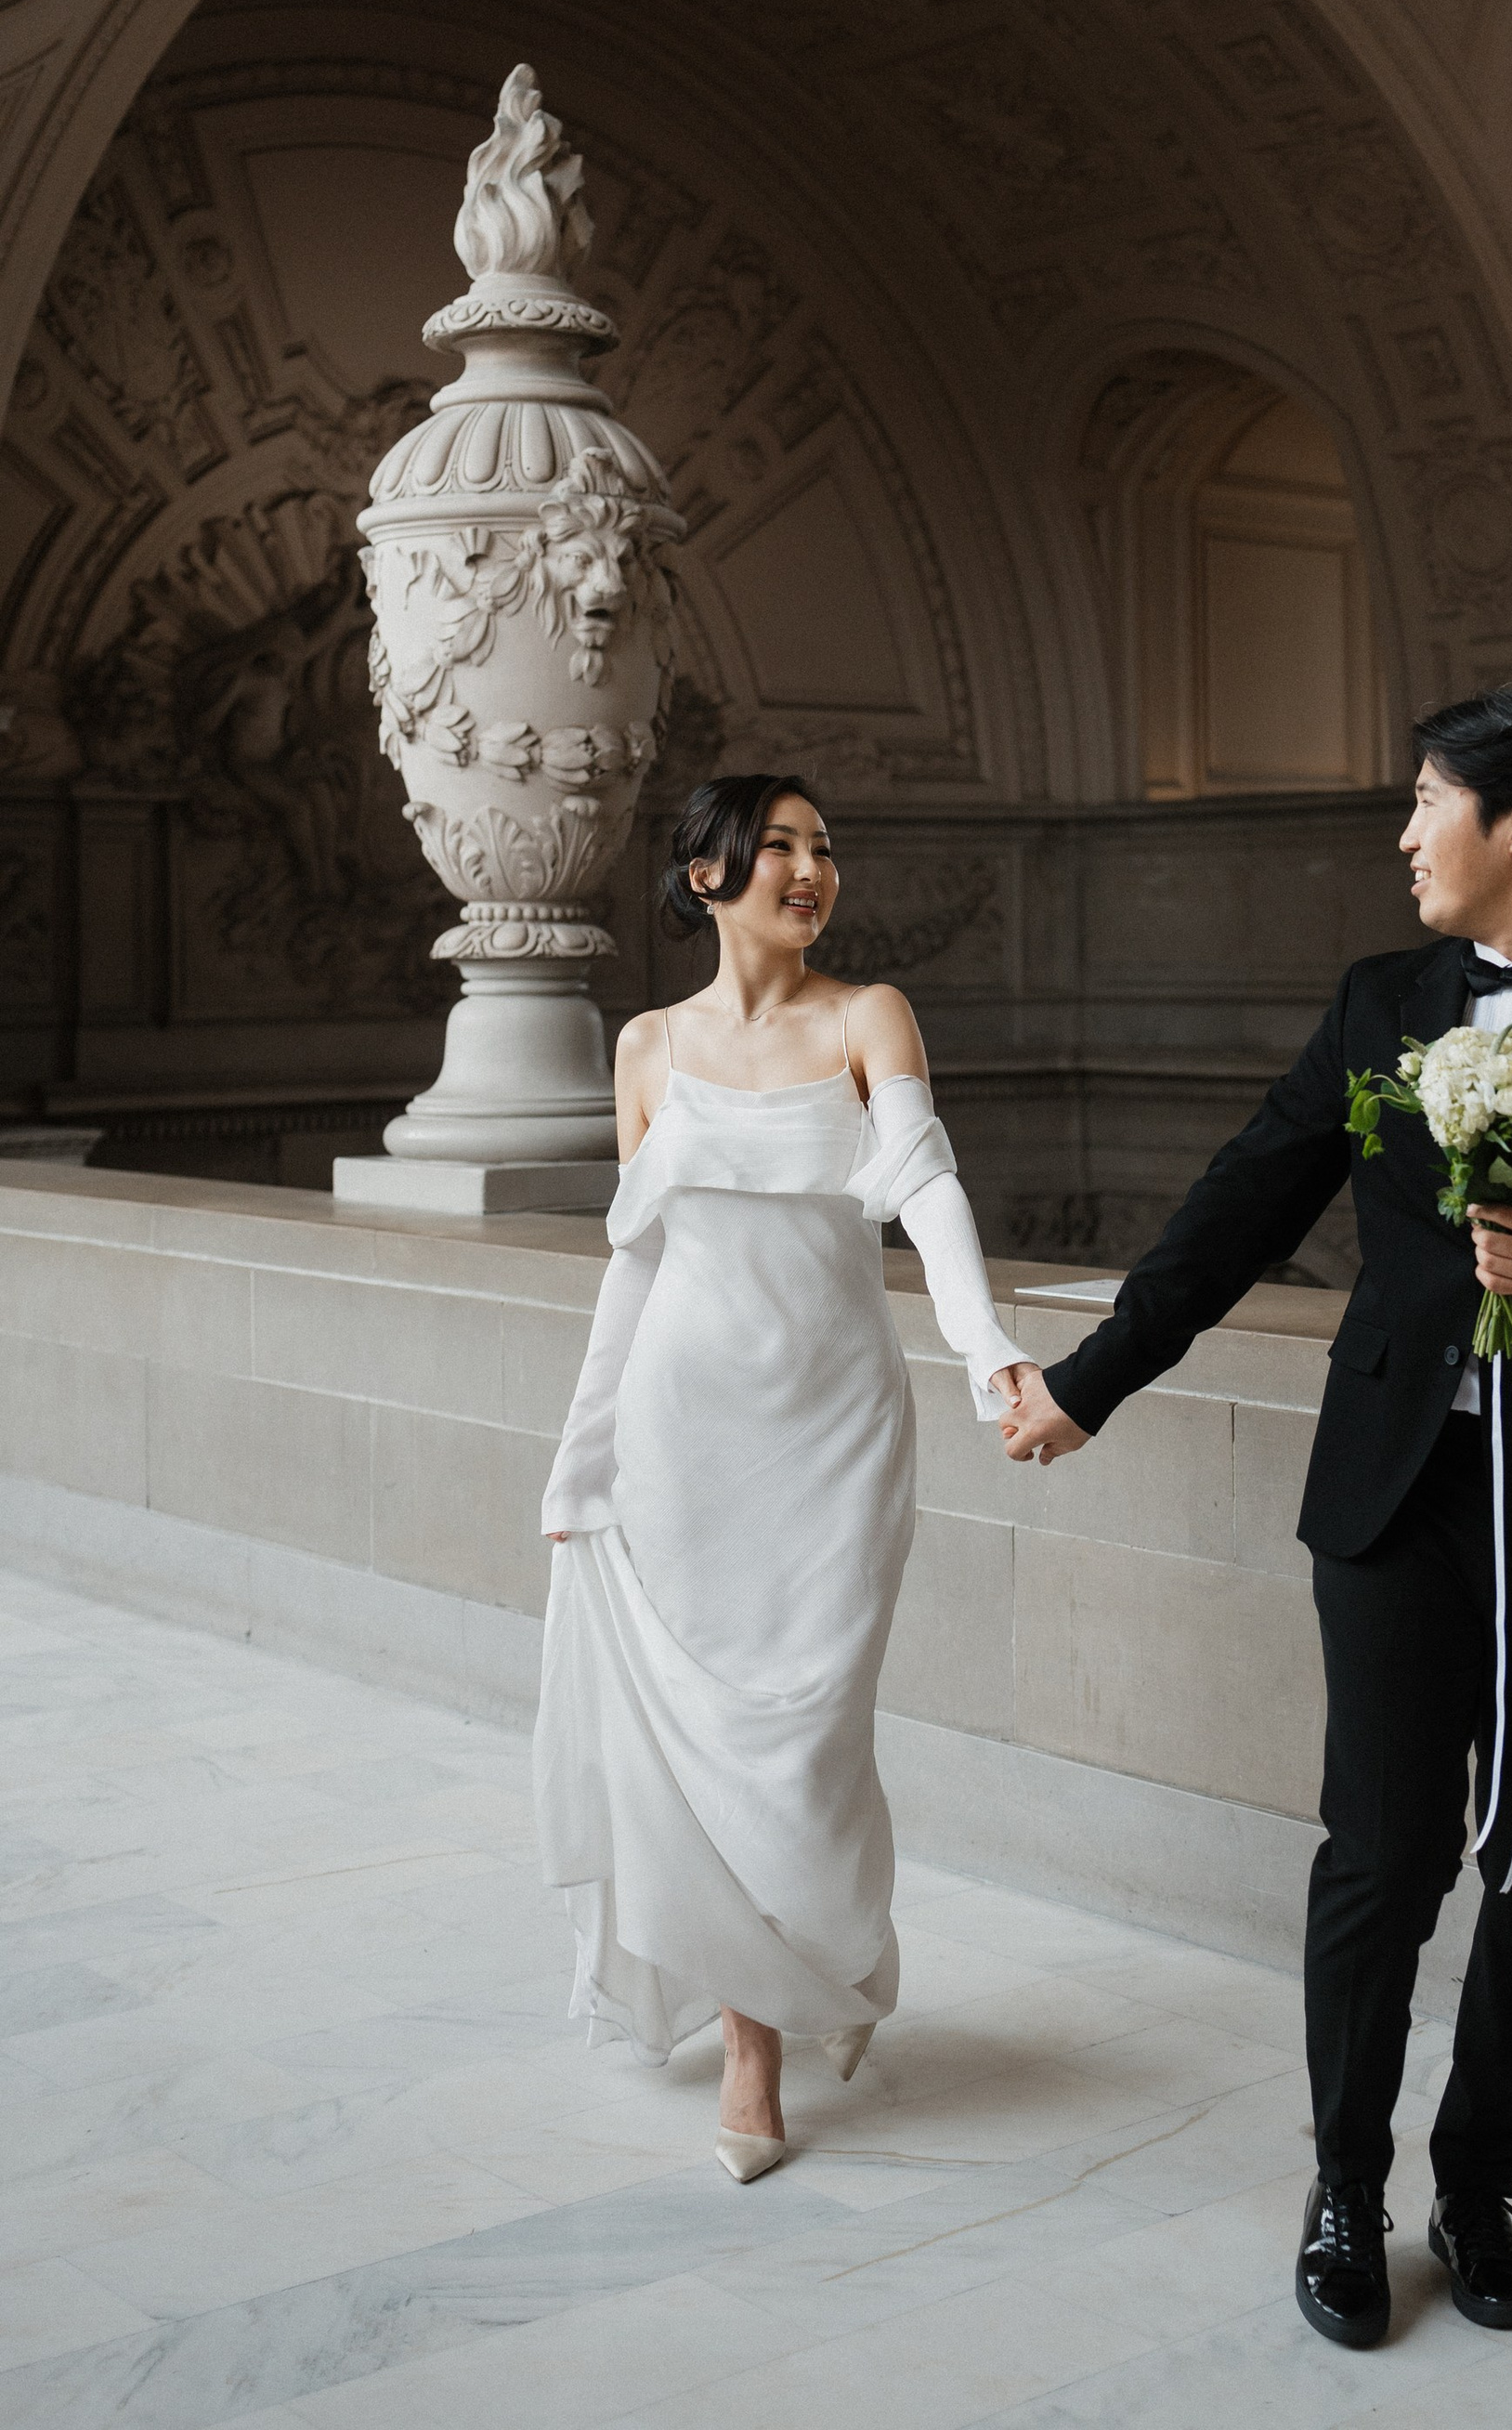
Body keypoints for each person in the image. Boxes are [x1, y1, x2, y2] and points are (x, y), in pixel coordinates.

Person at [1000, 688, 1512, 2345]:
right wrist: (1092, 1379)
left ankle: (1477, 2187)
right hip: (1397, 1495)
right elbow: (1243, 1202)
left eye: (1430, 798)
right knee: (1382, 1853)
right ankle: (1345, 2190)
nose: (1405, 832)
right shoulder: (1381, 1004)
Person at [534, 772, 1032, 2181]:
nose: (811, 870)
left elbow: (926, 1191)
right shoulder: (646, 1047)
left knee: (811, 1738)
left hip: (836, 1434)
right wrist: (580, 1457)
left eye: (823, 849)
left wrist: (989, 1351)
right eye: (779, 848)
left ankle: (820, 1951)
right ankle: (752, 2046)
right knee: (706, 1745)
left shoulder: (870, 1017)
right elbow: (634, 1264)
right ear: (707, 876)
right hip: (683, 1434)